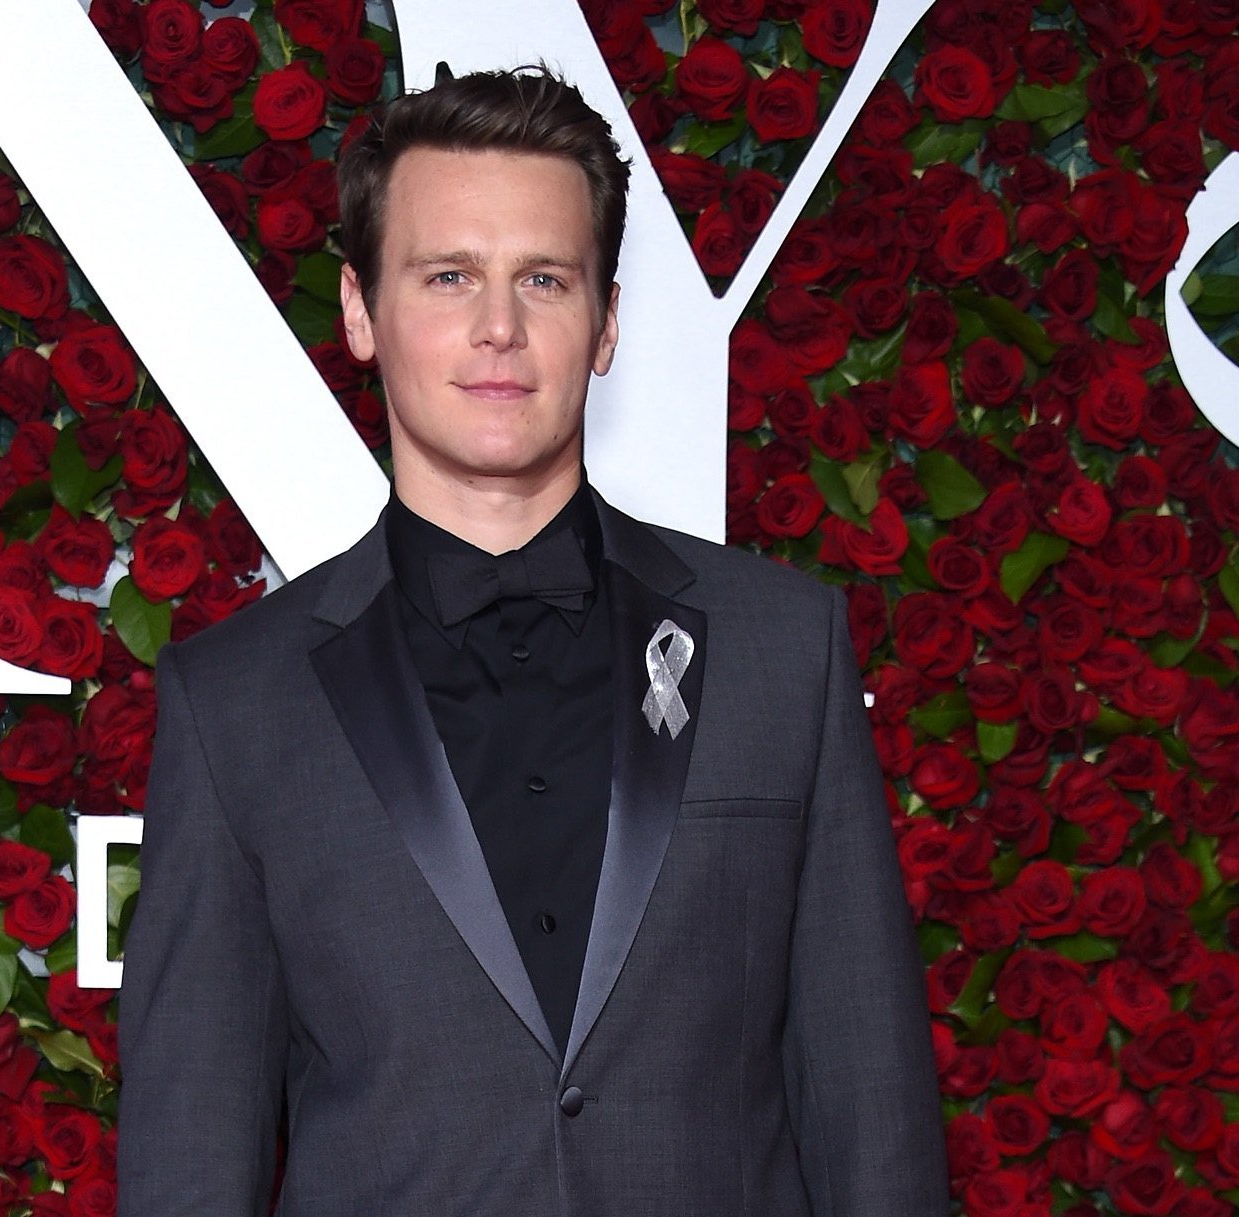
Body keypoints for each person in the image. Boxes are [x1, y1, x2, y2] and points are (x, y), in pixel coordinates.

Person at [116, 66, 947, 1216]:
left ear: (604, 323)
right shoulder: (236, 703)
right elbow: (187, 1159)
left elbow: (873, 1119)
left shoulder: (781, 649)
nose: (498, 327)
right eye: (448, 275)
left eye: (543, 279)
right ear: (358, 311)